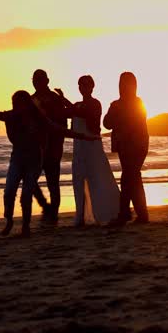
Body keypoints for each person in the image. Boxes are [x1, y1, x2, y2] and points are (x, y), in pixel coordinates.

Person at [0, 91, 96, 237]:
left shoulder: (39, 119)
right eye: (13, 103)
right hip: (17, 158)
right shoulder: (11, 116)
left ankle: (26, 226)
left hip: (34, 160)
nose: (15, 106)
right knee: (9, 191)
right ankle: (9, 221)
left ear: (26, 104)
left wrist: (83, 137)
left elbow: (59, 130)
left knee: (26, 194)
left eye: (17, 103)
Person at [63, 75, 121, 227]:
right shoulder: (77, 104)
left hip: (93, 147)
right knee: (78, 180)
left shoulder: (95, 104)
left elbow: (85, 114)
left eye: (86, 85)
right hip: (79, 148)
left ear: (92, 87)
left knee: (98, 179)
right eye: (81, 85)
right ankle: (80, 216)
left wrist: (64, 100)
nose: (84, 88)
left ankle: (104, 212)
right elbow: (68, 112)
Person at [104, 71, 150, 225]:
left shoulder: (137, 102)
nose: (124, 86)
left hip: (137, 144)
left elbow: (136, 123)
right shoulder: (116, 104)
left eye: (127, 83)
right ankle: (139, 214)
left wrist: (119, 117)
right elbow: (106, 123)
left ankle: (126, 213)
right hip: (124, 145)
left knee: (129, 177)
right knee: (132, 178)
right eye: (122, 83)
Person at [30, 69, 71, 223]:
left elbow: (63, 122)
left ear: (46, 81)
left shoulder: (55, 99)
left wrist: (57, 141)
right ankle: (47, 207)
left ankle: (53, 214)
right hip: (37, 147)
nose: (36, 82)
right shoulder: (31, 99)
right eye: (34, 79)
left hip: (53, 146)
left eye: (39, 79)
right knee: (30, 179)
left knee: (53, 183)